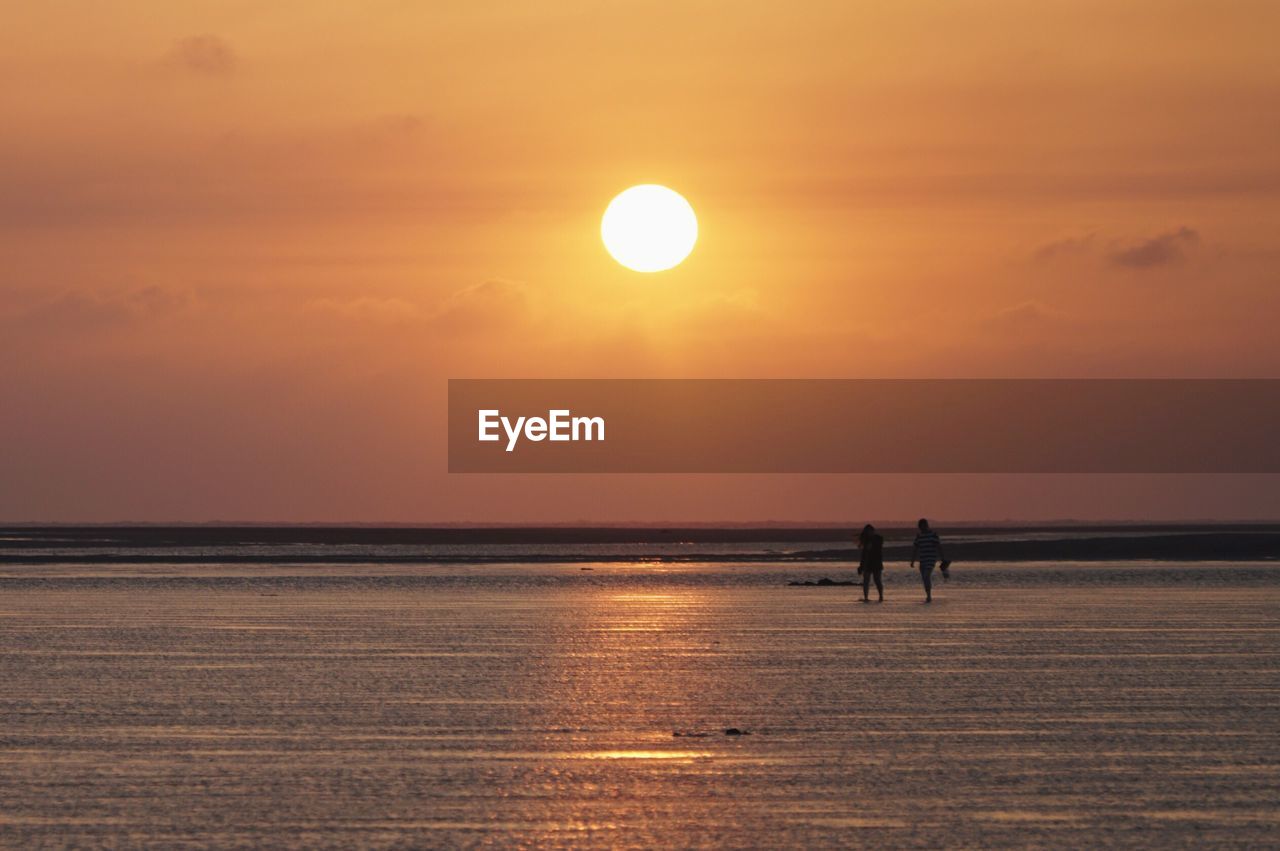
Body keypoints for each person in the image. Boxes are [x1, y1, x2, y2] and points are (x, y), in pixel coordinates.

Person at [909, 518, 944, 603]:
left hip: (931, 559)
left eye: (924, 526)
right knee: (924, 579)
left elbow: (938, 546)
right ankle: (928, 594)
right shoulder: (919, 536)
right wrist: (912, 561)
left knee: (926, 575)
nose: (922, 528)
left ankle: (929, 596)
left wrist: (942, 558)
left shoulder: (933, 534)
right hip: (923, 560)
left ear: (926, 525)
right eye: (921, 527)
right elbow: (915, 548)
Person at [856, 524, 884, 603]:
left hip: (876, 563)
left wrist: (872, 544)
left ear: (873, 531)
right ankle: (866, 597)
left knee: (877, 580)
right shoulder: (865, 540)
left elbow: (879, 546)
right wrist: (861, 566)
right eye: (867, 531)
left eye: (870, 531)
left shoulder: (878, 538)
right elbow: (864, 554)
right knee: (866, 581)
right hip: (867, 563)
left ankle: (881, 596)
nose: (869, 533)